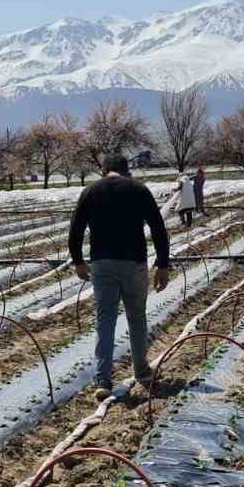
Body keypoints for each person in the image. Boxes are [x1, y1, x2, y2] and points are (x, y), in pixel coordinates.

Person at [69, 155, 171, 397]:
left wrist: (78, 262)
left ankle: (103, 381)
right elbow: (158, 228)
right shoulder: (139, 189)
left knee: (105, 320)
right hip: (134, 262)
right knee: (136, 317)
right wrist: (163, 264)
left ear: (104, 171)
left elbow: (75, 231)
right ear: (127, 171)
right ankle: (142, 371)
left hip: (102, 264)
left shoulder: (91, 191)